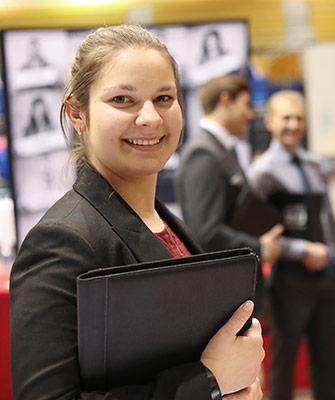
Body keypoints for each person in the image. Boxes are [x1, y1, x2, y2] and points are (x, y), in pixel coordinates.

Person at [10, 25, 264, 400]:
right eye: (123, 100)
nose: (150, 118)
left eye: (164, 97)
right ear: (76, 113)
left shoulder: (168, 225)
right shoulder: (62, 242)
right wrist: (208, 383)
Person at [247, 90, 335, 400]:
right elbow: (256, 231)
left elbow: (327, 217)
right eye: (286, 117)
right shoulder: (261, 172)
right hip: (290, 280)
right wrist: (302, 251)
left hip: (329, 278)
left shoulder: (316, 165)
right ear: (271, 121)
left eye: (299, 118)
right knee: (284, 360)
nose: (293, 124)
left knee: (328, 360)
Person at [175, 75, 283, 316]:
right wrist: (259, 247)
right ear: (226, 100)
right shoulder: (203, 154)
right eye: (246, 105)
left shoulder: (220, 150)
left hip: (235, 287)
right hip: (224, 294)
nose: (250, 115)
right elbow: (206, 232)